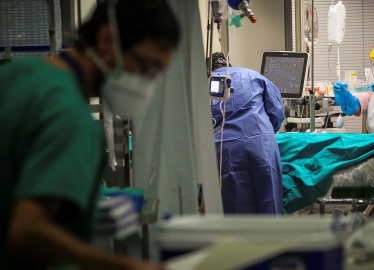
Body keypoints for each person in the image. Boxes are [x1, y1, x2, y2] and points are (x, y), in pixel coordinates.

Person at [0, 0, 179, 269]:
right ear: (107, 39)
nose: (147, 84)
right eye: (146, 67)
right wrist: (119, 265)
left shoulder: (16, 75)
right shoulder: (71, 119)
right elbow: (26, 231)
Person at [209, 52, 285, 214]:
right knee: (267, 200)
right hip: (260, 146)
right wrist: (263, 131)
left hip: (223, 151)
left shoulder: (205, 83)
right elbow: (276, 112)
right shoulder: (253, 76)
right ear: (229, 64)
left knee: (230, 205)